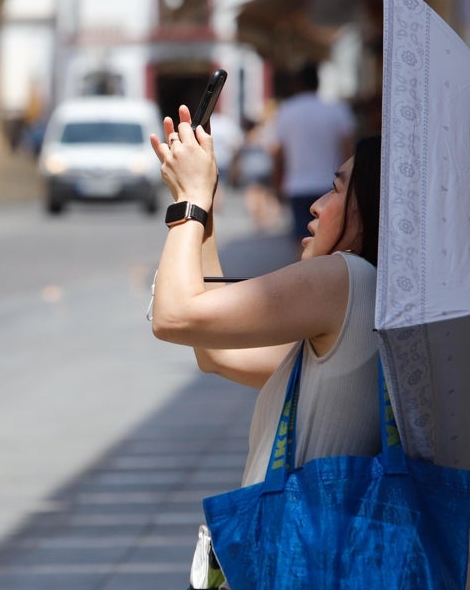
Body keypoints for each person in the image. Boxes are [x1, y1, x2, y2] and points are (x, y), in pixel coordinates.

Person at [149, 105, 382, 490]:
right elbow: (217, 353)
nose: (317, 204)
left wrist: (189, 200)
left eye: (337, 190)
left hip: (300, 547)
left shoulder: (343, 277)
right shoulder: (367, 296)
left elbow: (173, 317)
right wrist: (203, 206)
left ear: (371, 209)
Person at [270, 62, 357, 241]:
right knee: (333, 241)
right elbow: (349, 150)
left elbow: (278, 153)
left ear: (297, 84)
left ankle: (304, 270)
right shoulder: (337, 109)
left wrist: (277, 184)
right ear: (318, 82)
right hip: (332, 185)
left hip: (298, 186)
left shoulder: (286, 110)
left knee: (302, 241)